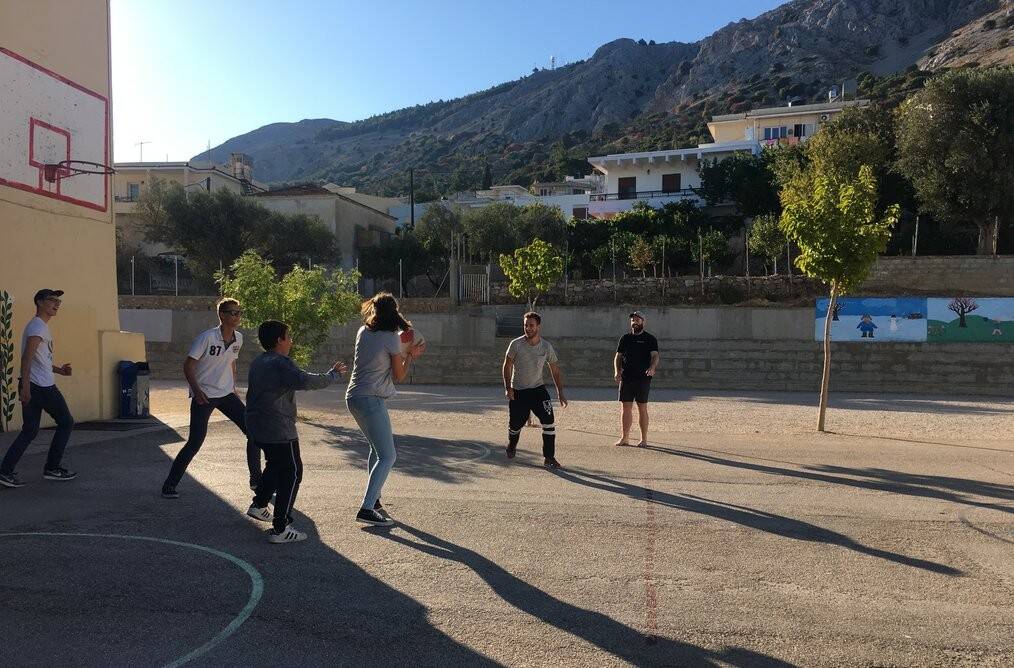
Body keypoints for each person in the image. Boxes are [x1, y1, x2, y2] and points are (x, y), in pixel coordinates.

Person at [245, 320, 346, 543]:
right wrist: (332, 376)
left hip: (258, 426)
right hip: (278, 428)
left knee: (274, 465)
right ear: (279, 340)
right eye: (288, 336)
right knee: (292, 472)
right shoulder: (280, 363)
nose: (291, 341)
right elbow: (304, 380)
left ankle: (259, 504)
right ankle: (281, 527)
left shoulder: (259, 361)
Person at [162, 298, 260, 499]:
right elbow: (188, 365)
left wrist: (233, 387)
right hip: (204, 395)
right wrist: (196, 391)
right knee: (195, 441)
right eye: (233, 312)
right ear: (222, 315)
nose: (237, 316)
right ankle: (169, 485)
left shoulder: (238, 339)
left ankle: (256, 480)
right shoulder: (206, 338)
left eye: (239, 312)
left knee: (254, 432)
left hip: (226, 394)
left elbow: (231, 363)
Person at [345, 293, 425, 526]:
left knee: (376, 450)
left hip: (354, 397)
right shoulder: (391, 338)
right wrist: (409, 355)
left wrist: (404, 347)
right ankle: (367, 507)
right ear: (394, 312)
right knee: (388, 456)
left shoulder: (363, 332)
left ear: (375, 310)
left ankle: (375, 500)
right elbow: (399, 375)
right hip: (371, 399)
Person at [0, 289, 76, 487]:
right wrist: (25, 388)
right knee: (66, 422)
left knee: (30, 431)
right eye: (51, 300)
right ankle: (52, 468)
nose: (56, 303)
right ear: (39, 302)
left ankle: (5, 471)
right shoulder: (37, 327)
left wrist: (59, 370)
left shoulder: (40, 326)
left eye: (58, 300)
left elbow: (38, 359)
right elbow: (26, 358)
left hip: (35, 384)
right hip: (41, 387)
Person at [502, 311, 568, 469]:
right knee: (515, 426)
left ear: (538, 326)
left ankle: (549, 457)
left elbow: (555, 370)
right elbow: (507, 365)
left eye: (531, 325)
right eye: (526, 325)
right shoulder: (516, 344)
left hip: (538, 390)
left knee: (549, 422)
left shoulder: (546, 346)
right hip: (519, 391)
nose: (528, 328)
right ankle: (512, 445)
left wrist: (560, 392)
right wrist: (508, 387)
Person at [613, 311, 659, 448]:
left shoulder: (650, 339)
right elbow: (618, 356)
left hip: (643, 378)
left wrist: (652, 367)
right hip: (626, 377)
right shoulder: (625, 338)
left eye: (638, 319)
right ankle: (624, 438)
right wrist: (617, 371)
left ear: (643, 322)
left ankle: (643, 439)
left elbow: (655, 356)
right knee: (625, 408)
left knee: (642, 408)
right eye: (633, 319)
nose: (635, 321)